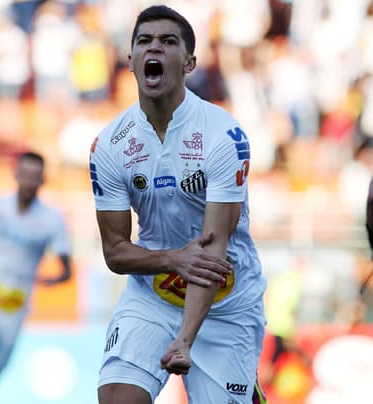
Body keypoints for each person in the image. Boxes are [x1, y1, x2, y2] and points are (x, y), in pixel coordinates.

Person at [89, 5, 268, 404]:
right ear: (130, 60)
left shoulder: (224, 135)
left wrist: (184, 341)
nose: (155, 48)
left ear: (189, 63)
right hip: (154, 295)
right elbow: (116, 252)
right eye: (144, 41)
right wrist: (172, 260)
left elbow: (212, 251)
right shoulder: (109, 146)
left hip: (226, 299)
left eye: (168, 42)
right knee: (118, 398)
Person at [0, 151, 72, 404]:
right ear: (16, 175)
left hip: (14, 306)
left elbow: (66, 269)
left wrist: (52, 280)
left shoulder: (52, 221)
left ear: (43, 180)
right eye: (25, 175)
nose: (29, 182)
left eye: (35, 177)